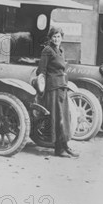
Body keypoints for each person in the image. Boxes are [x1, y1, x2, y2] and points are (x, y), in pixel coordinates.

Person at [37, 26, 78, 158]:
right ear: (50, 38)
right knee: (57, 118)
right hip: (53, 88)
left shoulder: (61, 50)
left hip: (62, 86)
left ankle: (65, 145)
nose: (56, 39)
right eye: (54, 36)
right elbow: (41, 71)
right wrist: (42, 87)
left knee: (64, 117)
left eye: (58, 36)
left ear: (62, 38)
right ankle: (58, 149)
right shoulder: (47, 50)